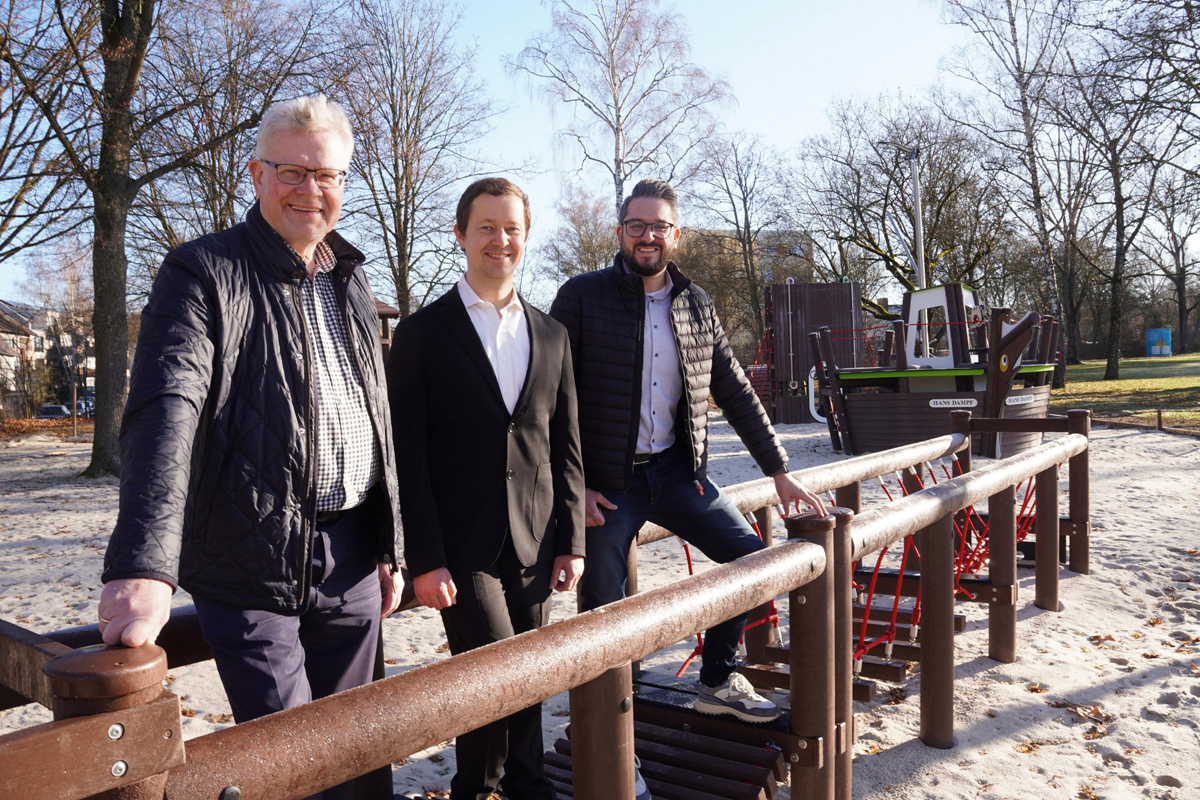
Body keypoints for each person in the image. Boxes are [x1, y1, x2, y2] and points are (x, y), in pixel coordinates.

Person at [98, 95, 403, 800]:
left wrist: (394, 544)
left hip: (354, 556)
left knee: (360, 758)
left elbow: (378, 419)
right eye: (291, 172)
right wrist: (145, 562)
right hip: (247, 561)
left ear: (345, 184)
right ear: (255, 174)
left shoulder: (352, 280)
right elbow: (166, 407)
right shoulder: (201, 273)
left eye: (326, 175)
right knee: (291, 765)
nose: (309, 189)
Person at [550, 178, 827, 724]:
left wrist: (780, 471)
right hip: (607, 485)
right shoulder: (580, 297)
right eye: (637, 225)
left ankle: (717, 681)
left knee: (754, 562)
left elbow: (736, 391)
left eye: (659, 226)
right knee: (605, 609)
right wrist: (574, 487)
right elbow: (549, 401)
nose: (647, 236)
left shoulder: (697, 304)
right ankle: (607, 721)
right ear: (620, 231)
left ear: (675, 235)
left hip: (679, 474)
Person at [388, 178, 586, 800]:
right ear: (460, 235)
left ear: (525, 237)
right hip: (459, 545)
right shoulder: (422, 333)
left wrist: (572, 540)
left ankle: (502, 786)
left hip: (535, 536)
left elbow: (567, 447)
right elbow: (406, 458)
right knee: (505, 670)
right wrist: (423, 556)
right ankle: (492, 785)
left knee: (518, 679)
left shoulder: (552, 334)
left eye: (512, 229)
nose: (500, 240)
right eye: (486, 228)